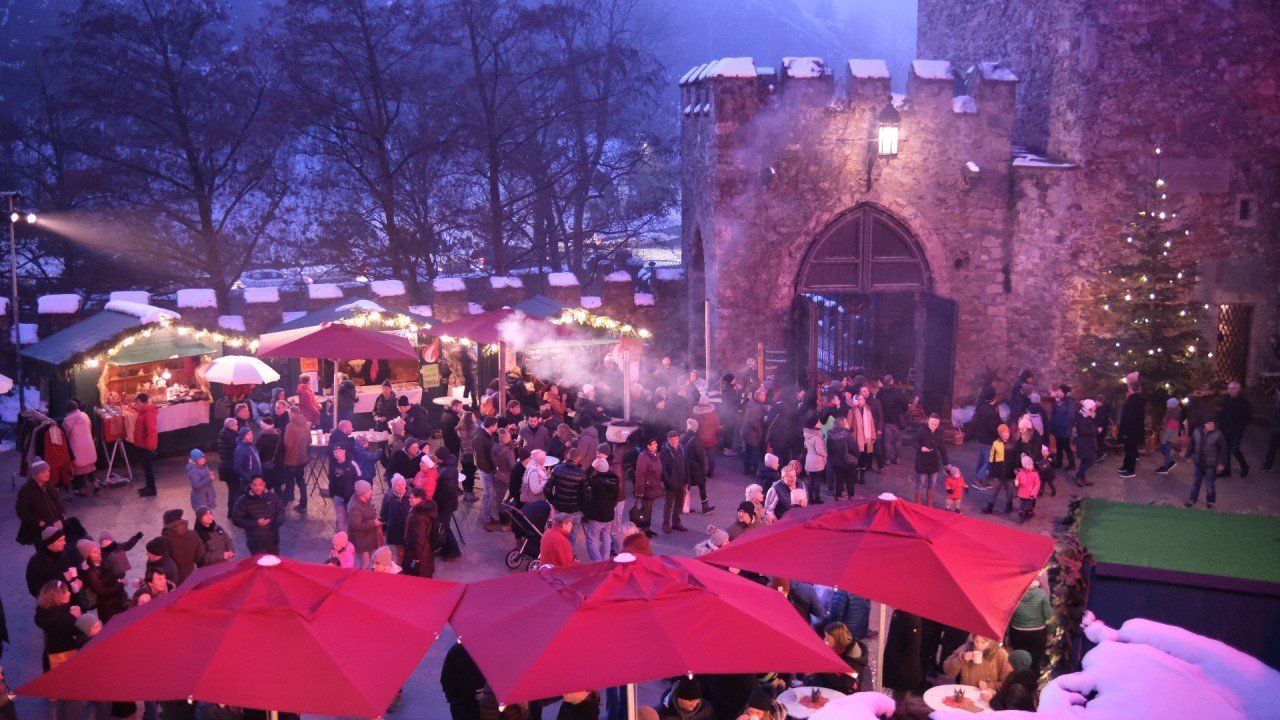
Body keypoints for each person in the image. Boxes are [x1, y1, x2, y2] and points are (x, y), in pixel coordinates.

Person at [15, 458, 65, 546]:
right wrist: (39, 522)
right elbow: (22, 512)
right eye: (43, 472)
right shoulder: (26, 491)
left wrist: (61, 517)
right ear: (35, 474)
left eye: (48, 471)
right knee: (44, 549)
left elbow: (56, 501)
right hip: (39, 530)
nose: (47, 473)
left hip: (55, 525)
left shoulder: (48, 484)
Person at [805, 622, 866, 694]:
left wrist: (824, 667)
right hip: (833, 679)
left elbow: (847, 684)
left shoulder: (854, 658)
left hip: (844, 692)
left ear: (838, 639)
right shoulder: (837, 646)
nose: (825, 640)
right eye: (825, 636)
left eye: (828, 638)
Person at [941, 635, 1012, 697]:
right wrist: (962, 658)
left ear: (991, 641)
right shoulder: (966, 648)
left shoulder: (1000, 653)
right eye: (976, 641)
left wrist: (989, 686)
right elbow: (948, 671)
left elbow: (1007, 683)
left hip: (987, 698)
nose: (979, 646)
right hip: (966, 694)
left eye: (983, 642)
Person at [34, 580, 81, 671]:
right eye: (66, 592)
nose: (69, 593)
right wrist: (76, 617)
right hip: (67, 655)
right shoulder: (65, 618)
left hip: (52, 654)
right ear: (59, 597)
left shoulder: (45, 614)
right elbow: (79, 632)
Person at [78, 539, 128, 623]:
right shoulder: (92, 573)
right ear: (88, 556)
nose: (98, 553)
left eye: (98, 549)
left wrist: (121, 576)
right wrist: (120, 584)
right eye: (94, 552)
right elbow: (102, 591)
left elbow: (115, 573)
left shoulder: (104, 560)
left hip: (119, 600)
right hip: (108, 608)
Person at [1008, 580, 1052, 675]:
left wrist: (1007, 634)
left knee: (1019, 662)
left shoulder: (1014, 594)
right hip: (1038, 633)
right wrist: (1050, 632)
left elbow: (1008, 616)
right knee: (1035, 662)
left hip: (1017, 633)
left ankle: (1020, 682)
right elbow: (1048, 615)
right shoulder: (1042, 594)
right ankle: (1033, 682)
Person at [231, 476, 284, 555]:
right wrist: (256, 523)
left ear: (264, 484)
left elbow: (281, 511)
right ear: (250, 485)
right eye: (255, 485)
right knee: (259, 562)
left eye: (260, 485)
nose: (257, 488)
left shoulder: (272, 496)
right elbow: (236, 519)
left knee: (275, 561)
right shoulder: (243, 501)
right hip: (256, 543)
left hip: (273, 541)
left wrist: (276, 524)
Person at [882, 609, 922, 708]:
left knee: (900, 700)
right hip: (897, 666)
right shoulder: (900, 614)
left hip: (903, 670)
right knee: (899, 698)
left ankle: (899, 712)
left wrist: (902, 672)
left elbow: (912, 651)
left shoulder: (910, 619)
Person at [583, 458, 620, 562]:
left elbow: (584, 478)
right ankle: (605, 560)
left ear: (597, 469)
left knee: (591, 539)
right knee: (606, 537)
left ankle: (597, 562)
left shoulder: (596, 482)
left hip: (597, 515)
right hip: (609, 514)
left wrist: (591, 467)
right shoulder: (615, 480)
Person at [1186, 417, 1227, 508]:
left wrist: (1222, 463)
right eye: (1209, 423)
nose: (1211, 425)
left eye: (1213, 423)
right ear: (1204, 424)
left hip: (1210, 464)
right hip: (1198, 463)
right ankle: (1192, 500)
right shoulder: (1196, 432)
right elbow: (1191, 444)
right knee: (1195, 483)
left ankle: (1210, 501)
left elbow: (1223, 449)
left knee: (1209, 484)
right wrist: (1188, 455)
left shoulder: (1218, 434)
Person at [549, 449, 588, 546]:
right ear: (579, 458)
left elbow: (547, 488)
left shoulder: (557, 469)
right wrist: (582, 508)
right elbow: (584, 495)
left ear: (567, 456)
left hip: (559, 507)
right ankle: (568, 553)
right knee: (573, 534)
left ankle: (556, 551)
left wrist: (553, 501)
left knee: (557, 531)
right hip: (574, 509)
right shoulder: (582, 474)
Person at [26, 526, 75, 598]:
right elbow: (35, 590)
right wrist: (62, 579)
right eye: (60, 541)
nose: (64, 543)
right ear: (50, 543)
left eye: (64, 539)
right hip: (56, 599)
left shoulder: (63, 552)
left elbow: (71, 567)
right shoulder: (35, 564)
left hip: (71, 593)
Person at [62, 400, 98, 496]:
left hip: (76, 446)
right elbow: (90, 428)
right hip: (88, 443)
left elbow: (65, 435)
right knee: (89, 465)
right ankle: (96, 484)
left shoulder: (66, 421)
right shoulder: (84, 415)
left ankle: (83, 490)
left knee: (79, 468)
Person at [1218, 380, 1252, 478]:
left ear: (1238, 389)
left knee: (1234, 449)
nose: (1230, 390)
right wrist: (1220, 424)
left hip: (1236, 431)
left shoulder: (1244, 402)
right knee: (1225, 450)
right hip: (1225, 430)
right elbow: (1221, 412)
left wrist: (1240, 427)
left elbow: (1247, 418)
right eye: (1229, 388)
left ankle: (1244, 466)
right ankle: (1226, 471)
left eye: (1232, 388)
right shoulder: (1225, 399)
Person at [160, 508, 204, 585]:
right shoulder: (193, 534)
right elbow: (200, 554)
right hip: (192, 575)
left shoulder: (164, 540)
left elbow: (163, 564)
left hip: (174, 580)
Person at [914, 414, 949, 507]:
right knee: (920, 484)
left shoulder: (940, 433)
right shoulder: (921, 430)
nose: (932, 426)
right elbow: (913, 441)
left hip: (933, 462)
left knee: (932, 484)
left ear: (938, 425)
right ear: (928, 422)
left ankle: (929, 504)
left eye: (935, 425)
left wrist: (946, 463)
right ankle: (918, 505)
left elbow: (942, 448)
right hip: (922, 461)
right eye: (931, 424)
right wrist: (920, 448)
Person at [404, 487, 439, 577]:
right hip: (426, 549)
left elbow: (419, 539)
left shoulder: (418, 516)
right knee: (426, 571)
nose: (409, 500)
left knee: (419, 574)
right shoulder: (425, 509)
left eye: (412, 498)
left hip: (420, 551)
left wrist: (417, 557)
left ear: (420, 499)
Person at [1116, 373, 1146, 478]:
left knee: (1131, 450)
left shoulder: (1134, 399)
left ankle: (1130, 470)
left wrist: (1125, 430)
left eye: (1128, 386)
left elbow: (1130, 417)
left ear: (1131, 388)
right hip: (1132, 430)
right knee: (1128, 449)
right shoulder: (1136, 398)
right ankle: (1125, 466)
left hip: (1131, 431)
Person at [970, 386, 1001, 487]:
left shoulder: (982, 407)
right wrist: (1000, 434)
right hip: (989, 440)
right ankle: (978, 479)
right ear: (993, 397)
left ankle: (978, 478)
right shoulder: (991, 412)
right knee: (989, 461)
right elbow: (993, 427)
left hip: (982, 438)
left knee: (982, 460)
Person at [347, 480, 381, 568]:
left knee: (367, 561)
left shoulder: (365, 499)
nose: (371, 491)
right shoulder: (355, 507)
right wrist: (374, 523)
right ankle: (361, 576)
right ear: (363, 493)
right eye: (369, 490)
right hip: (360, 541)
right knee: (364, 563)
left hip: (367, 538)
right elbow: (357, 525)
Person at [660, 431, 689, 533]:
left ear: (678, 439)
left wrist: (687, 480)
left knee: (679, 503)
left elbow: (686, 464)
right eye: (671, 440)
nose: (674, 442)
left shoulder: (682, 448)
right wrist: (668, 482)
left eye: (676, 439)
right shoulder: (665, 452)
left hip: (681, 481)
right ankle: (665, 524)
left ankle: (676, 522)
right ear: (668, 440)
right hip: (671, 483)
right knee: (668, 504)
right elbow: (663, 469)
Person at [282, 405, 311, 509]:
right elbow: (309, 441)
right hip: (302, 458)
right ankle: (303, 502)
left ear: (293, 413)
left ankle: (283, 504)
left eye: (290, 413)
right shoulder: (306, 424)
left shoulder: (290, 426)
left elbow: (288, 444)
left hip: (291, 459)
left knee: (289, 481)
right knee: (300, 480)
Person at [634, 438, 664, 537]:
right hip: (647, 487)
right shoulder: (643, 457)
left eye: (656, 443)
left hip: (653, 486)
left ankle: (646, 528)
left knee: (649, 509)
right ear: (648, 446)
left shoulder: (654, 455)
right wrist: (640, 490)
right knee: (646, 509)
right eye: (653, 443)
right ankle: (643, 530)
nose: (656, 445)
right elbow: (640, 474)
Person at [132, 393, 160, 497]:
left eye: (137, 402)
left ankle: (152, 490)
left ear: (142, 401)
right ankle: (148, 487)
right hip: (142, 445)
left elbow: (151, 429)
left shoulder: (148, 412)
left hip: (147, 446)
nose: (136, 404)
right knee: (145, 467)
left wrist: (150, 446)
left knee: (148, 468)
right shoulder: (143, 412)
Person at [380, 476, 412, 564]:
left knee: (410, 551)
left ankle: (409, 567)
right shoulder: (388, 496)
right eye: (398, 485)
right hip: (396, 529)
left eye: (402, 484)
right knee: (400, 552)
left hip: (409, 529)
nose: (401, 487)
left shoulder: (411, 495)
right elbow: (383, 513)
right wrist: (383, 529)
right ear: (393, 486)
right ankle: (401, 567)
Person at [328, 445, 360, 532]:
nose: (337, 454)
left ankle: (351, 537)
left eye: (339, 451)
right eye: (335, 452)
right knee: (341, 520)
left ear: (344, 451)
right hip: (338, 497)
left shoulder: (352, 463)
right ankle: (344, 537)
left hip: (351, 497)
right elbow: (331, 478)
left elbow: (359, 478)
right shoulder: (333, 464)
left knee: (351, 520)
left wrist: (356, 494)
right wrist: (332, 493)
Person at [490, 429, 517, 529]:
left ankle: (502, 521)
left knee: (499, 498)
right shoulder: (508, 453)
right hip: (507, 477)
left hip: (498, 475)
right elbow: (513, 467)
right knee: (507, 499)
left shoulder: (494, 447)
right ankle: (506, 523)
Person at [826, 416, 858, 500]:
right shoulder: (847, 435)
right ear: (843, 424)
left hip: (835, 462)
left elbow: (828, 447)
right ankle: (851, 496)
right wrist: (857, 455)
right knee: (849, 480)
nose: (847, 423)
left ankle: (838, 496)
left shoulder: (830, 435)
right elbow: (853, 447)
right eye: (846, 422)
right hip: (846, 461)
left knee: (838, 480)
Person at [473, 416, 498, 520]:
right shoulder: (479, 438)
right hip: (486, 470)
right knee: (489, 494)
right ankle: (486, 518)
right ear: (491, 427)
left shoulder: (487, 434)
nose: (497, 427)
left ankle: (487, 515)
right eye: (496, 426)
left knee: (489, 494)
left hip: (489, 468)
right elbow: (480, 458)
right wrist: (488, 470)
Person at [740, 387, 768, 476]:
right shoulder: (757, 408)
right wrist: (760, 430)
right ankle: (756, 472)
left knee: (748, 451)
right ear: (759, 397)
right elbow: (753, 421)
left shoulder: (750, 404)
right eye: (764, 395)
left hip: (746, 431)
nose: (765, 397)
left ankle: (746, 469)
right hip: (753, 434)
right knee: (754, 453)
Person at [801, 415, 828, 504]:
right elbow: (820, 450)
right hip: (817, 460)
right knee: (817, 480)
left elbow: (805, 446)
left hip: (809, 458)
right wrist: (826, 454)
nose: (820, 423)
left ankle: (810, 499)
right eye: (818, 422)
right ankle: (817, 498)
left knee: (810, 480)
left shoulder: (807, 435)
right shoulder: (817, 437)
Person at [217, 417, 241, 512]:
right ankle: (236, 512)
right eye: (236, 425)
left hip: (224, 467)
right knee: (237, 491)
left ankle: (230, 511)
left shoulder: (222, 435)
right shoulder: (234, 438)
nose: (237, 426)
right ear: (231, 426)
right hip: (232, 468)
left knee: (232, 490)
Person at [1074, 400, 1099, 487]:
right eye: (1093, 406)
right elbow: (1083, 431)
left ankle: (1082, 478)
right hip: (1084, 442)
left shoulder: (1088, 415)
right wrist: (1096, 430)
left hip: (1088, 441)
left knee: (1084, 460)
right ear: (1089, 407)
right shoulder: (1083, 417)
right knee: (1090, 460)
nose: (1095, 407)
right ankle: (1078, 475)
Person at [1154, 397, 1183, 475]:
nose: (1167, 405)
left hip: (1169, 437)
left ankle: (1165, 467)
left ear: (1172, 405)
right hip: (1169, 436)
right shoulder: (1171, 412)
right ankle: (1169, 463)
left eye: (1168, 404)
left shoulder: (1174, 414)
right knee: (1164, 450)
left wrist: (1163, 440)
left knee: (1165, 450)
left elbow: (1170, 428)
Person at [234, 427, 263, 498]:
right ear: (243, 436)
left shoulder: (252, 446)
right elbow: (238, 468)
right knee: (247, 500)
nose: (251, 435)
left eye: (251, 433)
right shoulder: (240, 449)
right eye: (249, 434)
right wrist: (249, 478)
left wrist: (264, 466)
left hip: (256, 478)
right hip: (247, 482)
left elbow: (256, 461)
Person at [1014, 455, 1041, 525]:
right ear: (1025, 466)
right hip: (1022, 493)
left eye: (1031, 464)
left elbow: (1037, 484)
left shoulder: (1035, 474)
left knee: (1029, 507)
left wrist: (1033, 492)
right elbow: (1017, 479)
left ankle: (1030, 513)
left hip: (1030, 495)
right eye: (1029, 465)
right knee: (1021, 507)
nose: (1031, 466)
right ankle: (1021, 520)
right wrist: (1017, 482)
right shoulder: (1020, 473)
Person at [1263, 387, 1280, 473]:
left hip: (1277, 430)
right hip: (1276, 429)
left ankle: (1267, 466)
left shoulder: (1278, 402)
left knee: (1272, 449)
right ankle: (1267, 466)